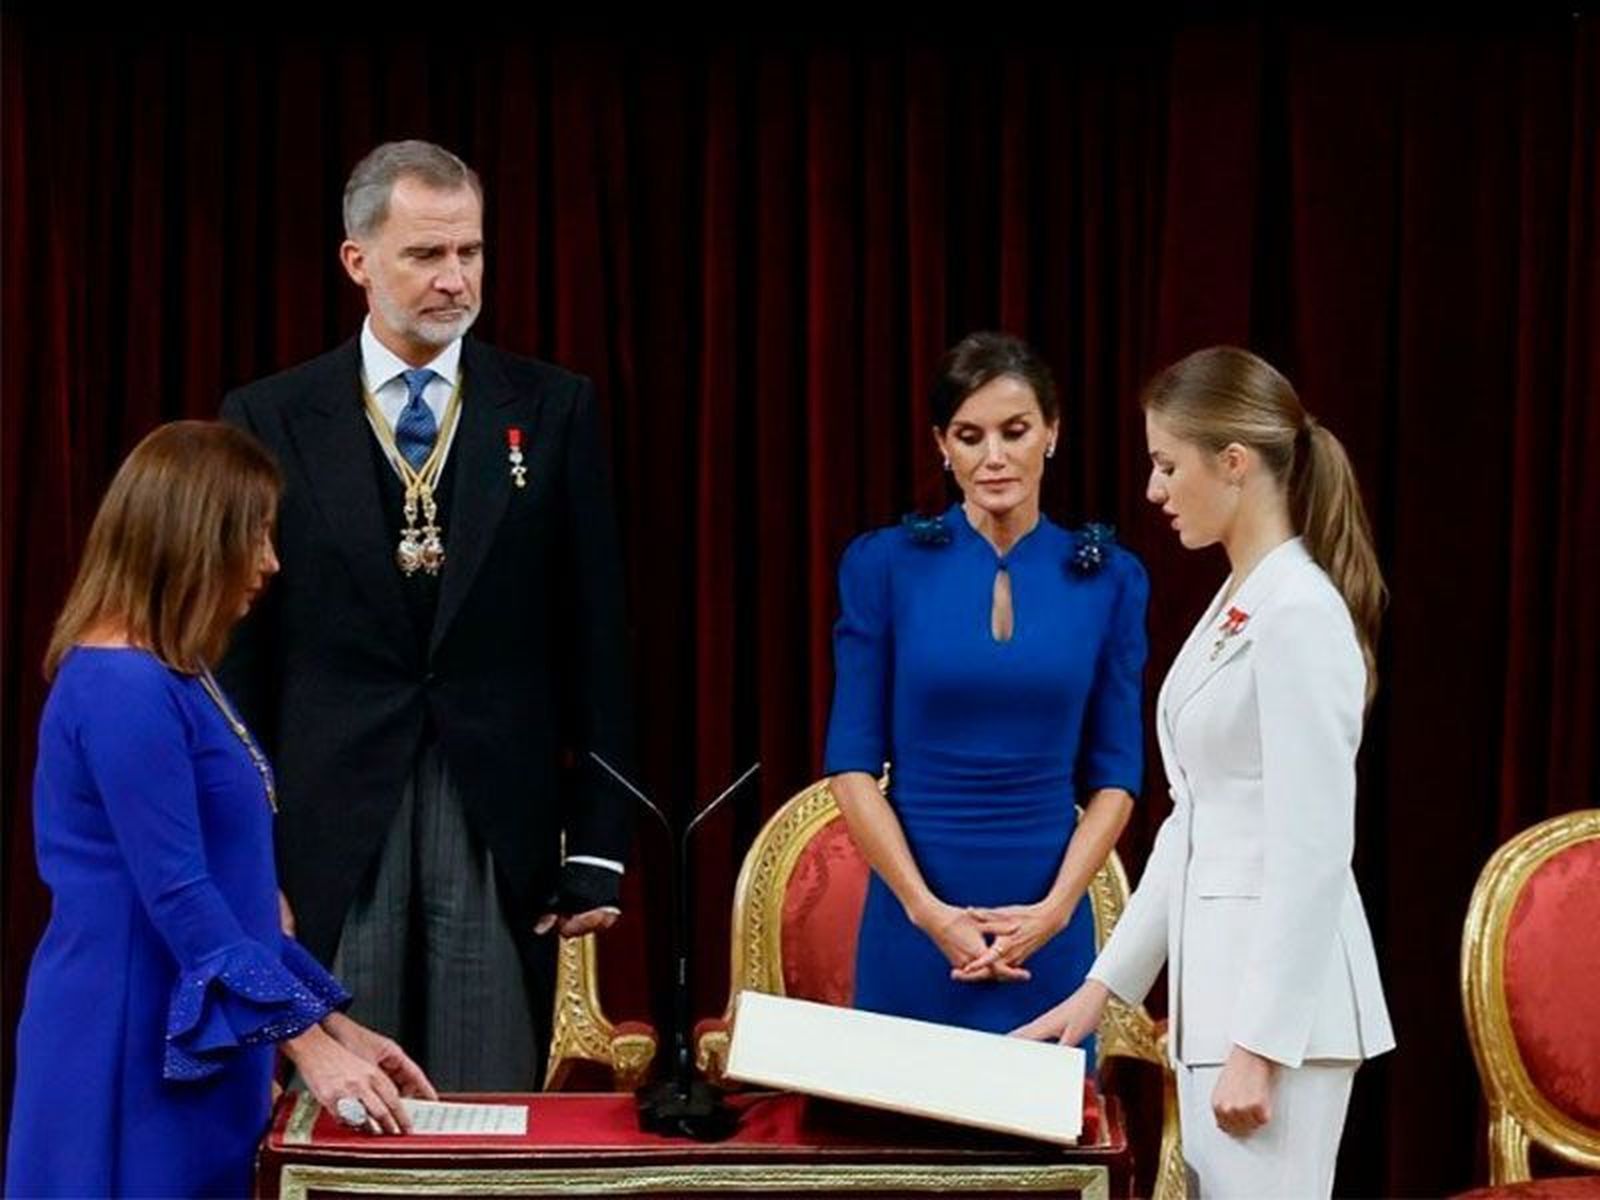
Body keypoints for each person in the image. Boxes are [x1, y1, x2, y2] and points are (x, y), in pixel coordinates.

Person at [217, 139, 633, 1091]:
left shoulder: (555, 407)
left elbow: (598, 637)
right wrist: (244, 844)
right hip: (326, 814)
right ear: (358, 261)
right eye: (426, 255)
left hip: (497, 810)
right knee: (349, 1104)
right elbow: (238, 654)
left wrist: (602, 839)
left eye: (472, 254)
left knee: (483, 1097)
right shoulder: (269, 416)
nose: (456, 280)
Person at [5, 422, 436, 1199]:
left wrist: (341, 1028)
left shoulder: (178, 673)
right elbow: (178, 893)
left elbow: (239, 900)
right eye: (257, 537)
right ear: (191, 541)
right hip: (128, 1042)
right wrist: (306, 1046)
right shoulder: (120, 687)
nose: (271, 563)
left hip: (202, 1035)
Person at [1014, 346, 1395, 1197]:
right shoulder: (1241, 600)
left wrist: (1258, 1049)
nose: (1153, 490)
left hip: (1278, 1023)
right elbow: (1196, 823)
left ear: (1233, 464)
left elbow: (1314, 847)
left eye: (1165, 464)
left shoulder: (1300, 613)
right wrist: (1102, 988)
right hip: (1221, 1003)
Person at [823, 331, 1148, 1038]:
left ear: (1052, 433)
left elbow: (1117, 775)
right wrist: (927, 910)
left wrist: (1057, 911)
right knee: (903, 1142)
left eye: (1015, 431)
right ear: (943, 445)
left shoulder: (1111, 579)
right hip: (913, 927)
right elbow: (849, 764)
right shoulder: (883, 565)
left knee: (1048, 1145)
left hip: (1048, 932)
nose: (994, 457)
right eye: (970, 436)